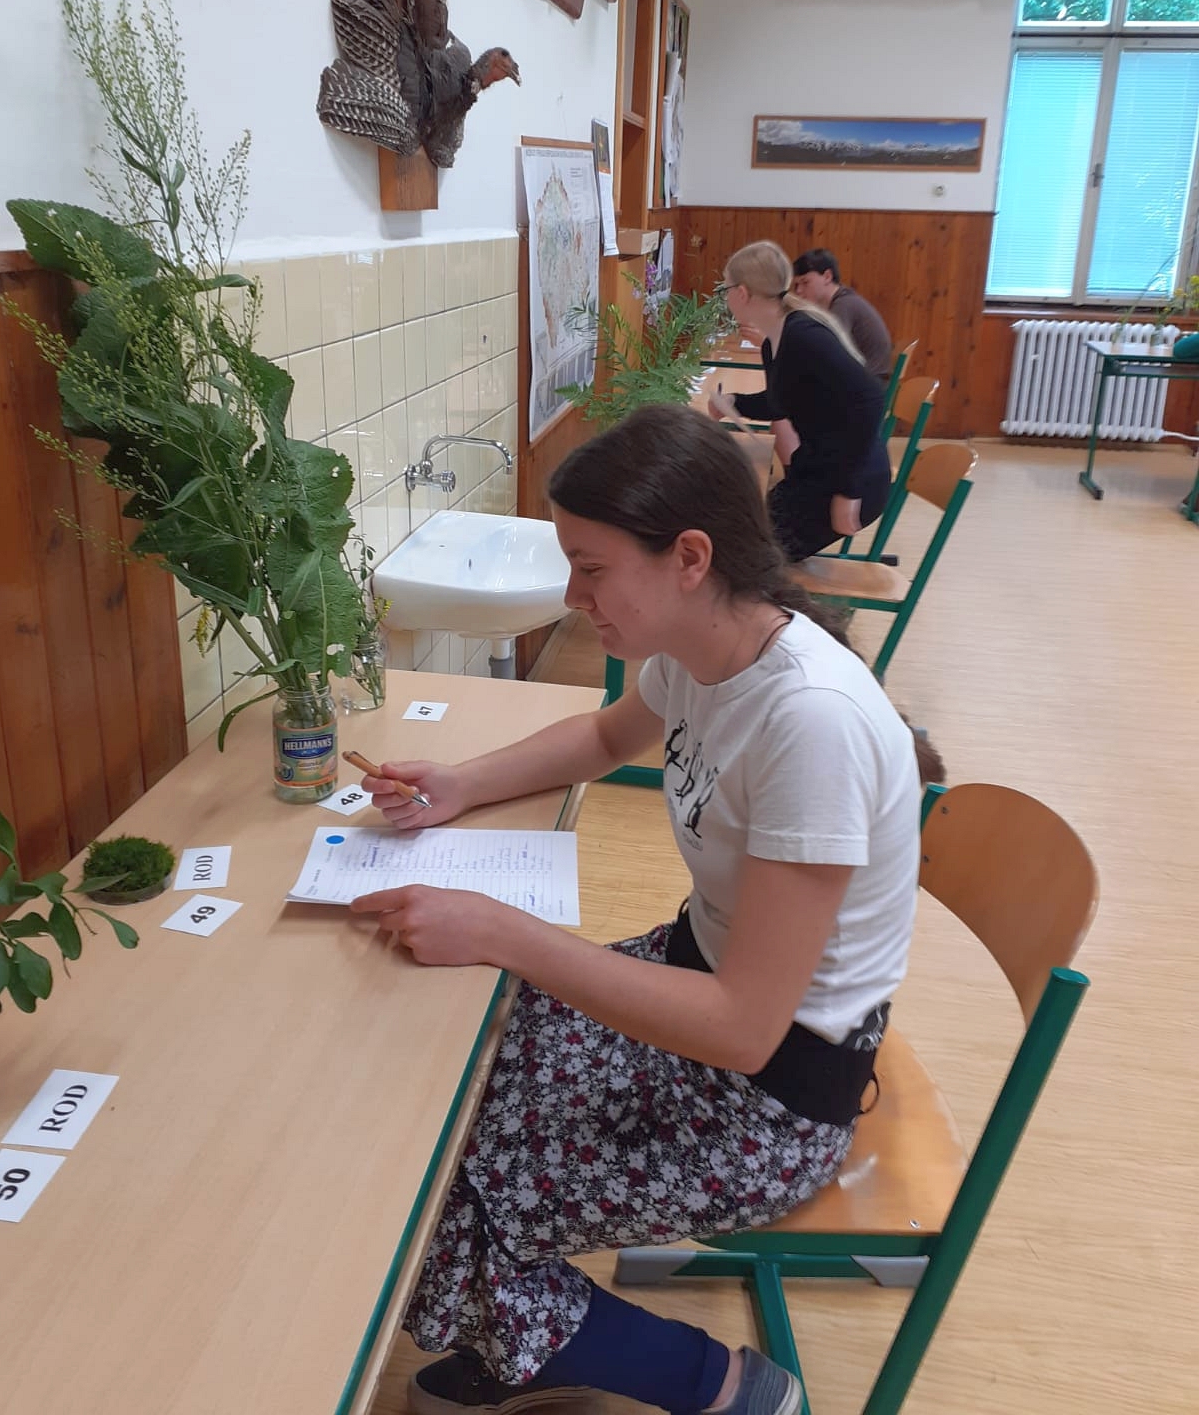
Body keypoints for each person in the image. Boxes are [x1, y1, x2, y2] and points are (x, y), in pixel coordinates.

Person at [350, 404, 940, 1415]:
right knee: (437, 1079)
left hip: (772, 1096)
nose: (572, 598)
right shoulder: (706, 644)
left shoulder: (812, 726)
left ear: (690, 558)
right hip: (693, 982)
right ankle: (522, 1328)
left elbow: (745, 1030)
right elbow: (599, 738)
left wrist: (504, 931)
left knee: (436, 1192)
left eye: (591, 568)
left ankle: (714, 1383)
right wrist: (457, 784)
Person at [710, 241, 890, 562]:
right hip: (817, 468)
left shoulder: (803, 336)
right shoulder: (775, 343)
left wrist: (848, 492)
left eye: (725, 289)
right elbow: (781, 403)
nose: (724, 298)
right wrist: (733, 402)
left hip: (852, 478)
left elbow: (871, 399)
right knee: (740, 533)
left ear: (743, 293)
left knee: (745, 557)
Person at [792, 249, 893, 385]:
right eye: (796, 285)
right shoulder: (843, 301)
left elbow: (826, 353)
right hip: (869, 381)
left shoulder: (843, 306)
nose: (798, 291)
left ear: (827, 277)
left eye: (805, 283)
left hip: (868, 385)